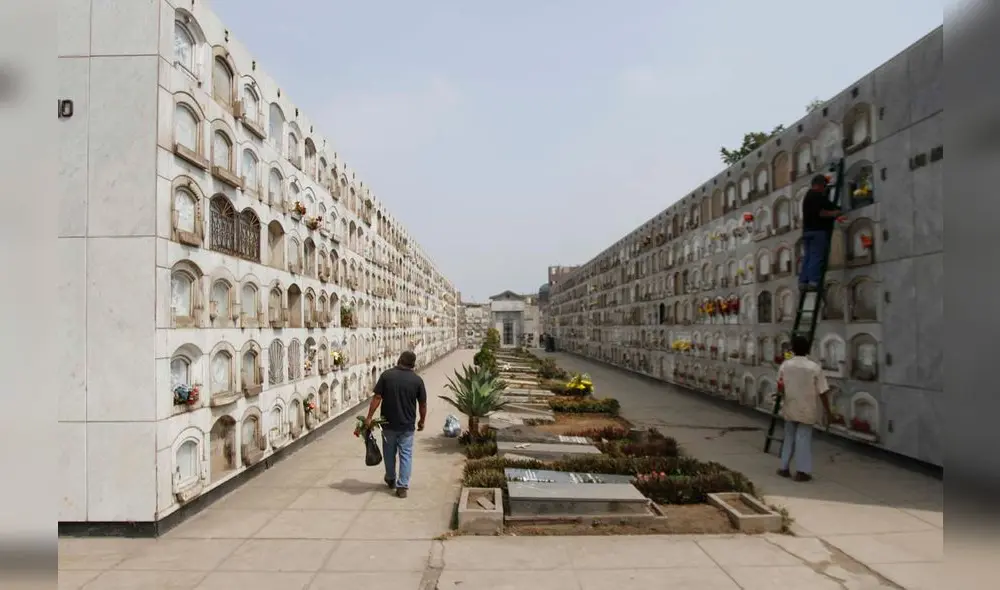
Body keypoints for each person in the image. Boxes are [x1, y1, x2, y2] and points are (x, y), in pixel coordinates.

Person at [363, 351, 427, 498]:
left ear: (399, 360)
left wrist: (369, 417)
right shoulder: (417, 380)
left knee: (389, 452)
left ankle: (391, 478)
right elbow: (422, 404)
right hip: (407, 425)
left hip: (388, 424)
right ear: (413, 364)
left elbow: (377, 397)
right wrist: (422, 421)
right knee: (406, 455)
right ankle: (402, 486)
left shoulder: (386, 376)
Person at [776, 335, 832, 482]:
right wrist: (828, 411)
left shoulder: (785, 365)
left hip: (790, 405)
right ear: (808, 349)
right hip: (807, 408)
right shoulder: (814, 368)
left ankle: (784, 467)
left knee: (789, 437)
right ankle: (802, 471)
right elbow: (823, 391)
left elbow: (780, 387)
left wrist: (781, 398)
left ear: (793, 349)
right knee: (803, 439)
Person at [799, 174, 842, 290]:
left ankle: (803, 282)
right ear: (819, 185)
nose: (824, 188)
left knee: (807, 257)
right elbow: (821, 213)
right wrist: (834, 214)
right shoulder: (817, 195)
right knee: (816, 257)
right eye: (824, 185)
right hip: (818, 231)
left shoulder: (808, 196)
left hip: (807, 231)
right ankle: (813, 282)